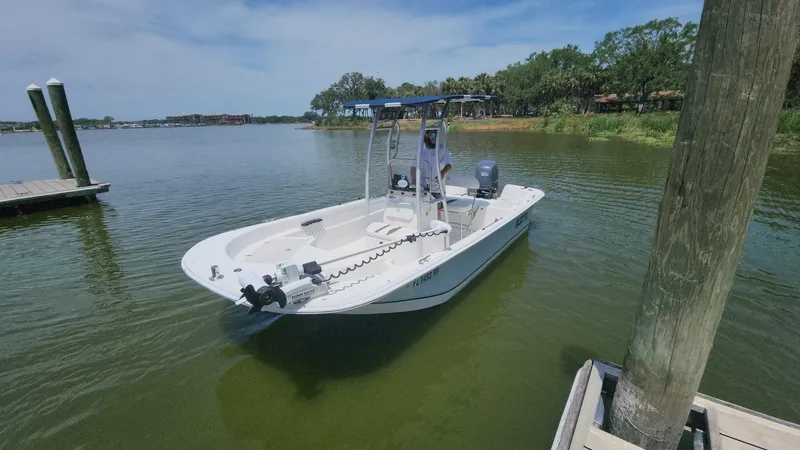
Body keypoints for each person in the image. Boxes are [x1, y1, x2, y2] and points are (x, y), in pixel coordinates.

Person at [410, 129, 452, 219]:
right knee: (421, 210)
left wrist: (443, 172)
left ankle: (438, 228)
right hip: (422, 187)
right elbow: (413, 167)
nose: (435, 137)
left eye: (437, 134)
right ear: (426, 135)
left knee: (437, 211)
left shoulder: (442, 149)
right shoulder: (419, 149)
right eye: (433, 134)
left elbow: (449, 165)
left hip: (437, 187)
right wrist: (413, 181)